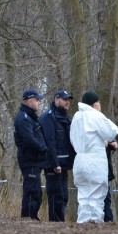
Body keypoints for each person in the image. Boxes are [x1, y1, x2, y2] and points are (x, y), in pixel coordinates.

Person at [70, 91, 118, 223]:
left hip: (79, 160)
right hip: (94, 160)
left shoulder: (76, 116)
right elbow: (111, 132)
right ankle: (95, 224)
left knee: (84, 196)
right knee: (96, 195)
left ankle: (83, 222)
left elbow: (72, 138)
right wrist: (102, 116)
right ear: (94, 104)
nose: (100, 105)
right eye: (98, 103)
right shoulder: (95, 115)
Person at [39, 90, 76, 222]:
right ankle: (55, 225)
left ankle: (59, 224)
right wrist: (55, 163)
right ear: (56, 100)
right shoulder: (48, 117)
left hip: (64, 165)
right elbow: (49, 142)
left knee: (64, 197)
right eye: (65, 99)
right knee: (56, 196)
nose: (68, 102)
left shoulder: (65, 118)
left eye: (69, 100)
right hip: (53, 165)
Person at [14, 89, 47, 220]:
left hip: (35, 160)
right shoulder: (24, 118)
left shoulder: (29, 117)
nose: (39, 102)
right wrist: (43, 148)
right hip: (29, 160)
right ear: (29, 102)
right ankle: (28, 217)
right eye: (37, 100)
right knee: (32, 190)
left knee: (36, 191)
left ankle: (31, 216)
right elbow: (29, 139)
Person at [104, 139, 118, 222]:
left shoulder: (106, 131)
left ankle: (108, 220)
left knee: (106, 198)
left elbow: (115, 145)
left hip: (106, 171)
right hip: (94, 169)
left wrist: (111, 142)